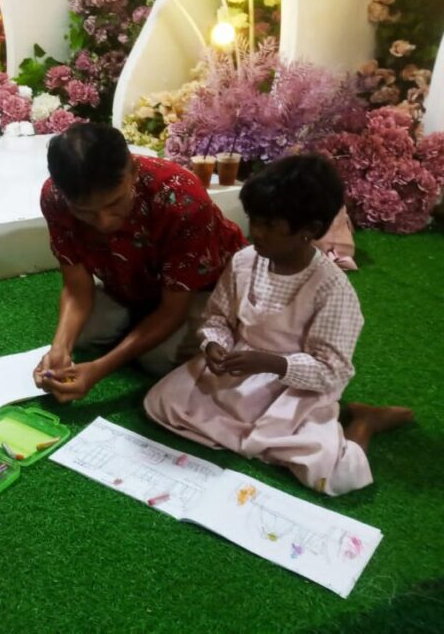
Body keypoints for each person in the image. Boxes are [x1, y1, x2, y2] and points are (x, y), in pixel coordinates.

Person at [144, 155, 413, 496]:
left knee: (332, 475)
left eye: (270, 225)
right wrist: (215, 344)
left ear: (309, 231)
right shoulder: (244, 261)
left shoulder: (332, 289)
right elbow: (218, 318)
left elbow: (332, 371)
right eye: (254, 220)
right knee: (160, 403)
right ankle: (255, 438)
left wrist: (274, 364)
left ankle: (365, 422)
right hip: (237, 372)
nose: (256, 232)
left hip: (292, 387)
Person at [34, 122, 245, 402]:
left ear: (133, 171)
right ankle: (140, 326)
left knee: (157, 358)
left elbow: (173, 309)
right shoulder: (55, 197)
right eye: (85, 212)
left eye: (114, 203)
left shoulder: (181, 199)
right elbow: (76, 288)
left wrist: (99, 370)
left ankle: (161, 330)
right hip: (131, 285)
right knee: (82, 335)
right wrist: (59, 348)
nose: (103, 222)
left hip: (203, 289)